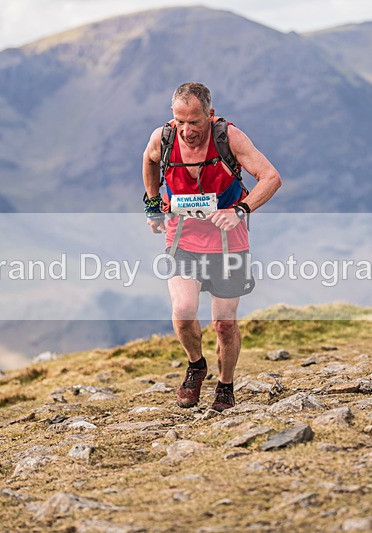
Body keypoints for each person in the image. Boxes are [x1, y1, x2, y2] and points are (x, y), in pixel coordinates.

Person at [142, 82, 281, 411]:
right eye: (181, 121)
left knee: (224, 323)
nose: (187, 131)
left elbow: (271, 177)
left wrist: (240, 211)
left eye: (196, 122)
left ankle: (225, 385)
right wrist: (151, 205)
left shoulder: (229, 138)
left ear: (211, 115)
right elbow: (148, 161)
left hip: (227, 241)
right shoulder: (162, 138)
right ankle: (196, 365)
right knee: (183, 312)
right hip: (182, 237)